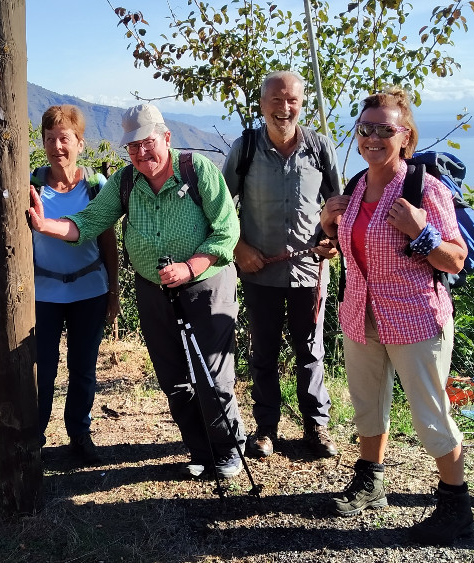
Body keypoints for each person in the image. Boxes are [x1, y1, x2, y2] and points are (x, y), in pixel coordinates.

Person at [27, 103, 247, 479]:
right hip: (153, 289)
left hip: (205, 284)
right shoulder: (125, 182)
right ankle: (199, 449)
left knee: (211, 374)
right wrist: (46, 226)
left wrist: (190, 267)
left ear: (166, 138)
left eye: (148, 143)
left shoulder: (198, 171)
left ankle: (227, 449)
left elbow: (227, 230)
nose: (142, 153)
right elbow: (90, 221)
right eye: (133, 146)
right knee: (173, 377)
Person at [320, 88, 472, 545]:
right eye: (365, 128)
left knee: (430, 414)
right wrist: (328, 227)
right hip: (361, 314)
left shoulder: (425, 190)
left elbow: (456, 260)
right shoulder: (356, 187)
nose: (372, 137)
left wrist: (421, 231)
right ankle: (371, 481)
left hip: (415, 320)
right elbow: (352, 249)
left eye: (385, 129)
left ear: (405, 137)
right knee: (367, 403)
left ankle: (456, 507)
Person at [222, 71, 341, 459]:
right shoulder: (246, 149)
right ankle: (266, 429)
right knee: (264, 353)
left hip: (309, 271)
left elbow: (339, 207)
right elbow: (220, 207)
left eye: (292, 100)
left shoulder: (319, 148)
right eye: (276, 99)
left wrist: (333, 241)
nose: (284, 108)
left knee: (311, 352)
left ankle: (316, 426)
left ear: (302, 104)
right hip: (260, 272)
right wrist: (238, 247)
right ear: (262, 104)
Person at [31, 104, 120, 465]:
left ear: (80, 143)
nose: (57, 147)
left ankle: (79, 434)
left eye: (64, 138)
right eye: (50, 139)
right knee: (42, 370)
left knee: (83, 368)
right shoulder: (32, 186)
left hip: (90, 292)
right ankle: (34, 439)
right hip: (43, 294)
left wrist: (114, 292)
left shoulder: (96, 187)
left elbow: (108, 243)